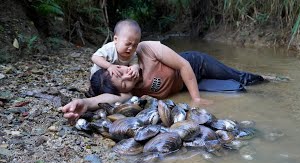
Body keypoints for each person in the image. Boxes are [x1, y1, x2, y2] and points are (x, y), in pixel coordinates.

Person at [61, 41, 265, 122]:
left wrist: (196, 99)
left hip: (196, 65)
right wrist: (85, 104)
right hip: (189, 83)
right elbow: (109, 98)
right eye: (123, 83)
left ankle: (269, 80)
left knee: (241, 78)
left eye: (120, 71)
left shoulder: (145, 50)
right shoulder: (131, 93)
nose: (126, 77)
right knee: (238, 90)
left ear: (117, 65)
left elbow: (184, 66)